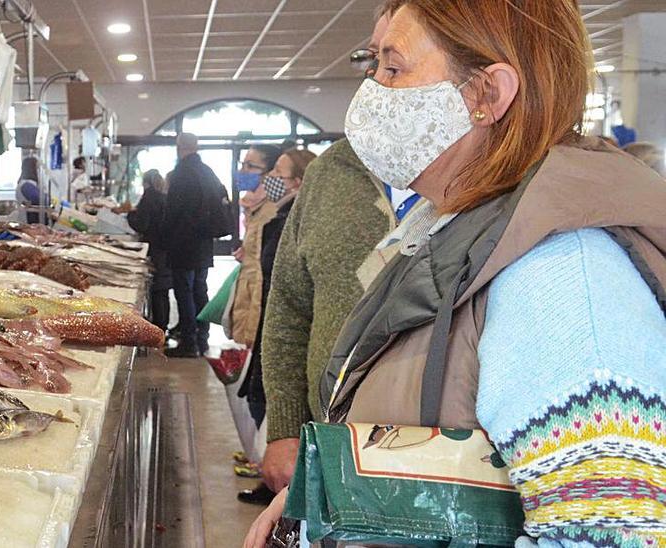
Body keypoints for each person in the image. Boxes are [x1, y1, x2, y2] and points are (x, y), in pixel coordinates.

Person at [246, 1, 666, 546]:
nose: (372, 90)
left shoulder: (567, 281)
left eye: (393, 69)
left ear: (485, 95)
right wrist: (336, 491)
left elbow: (612, 532)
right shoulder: (457, 230)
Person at [256, 0, 409, 497]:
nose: (375, 81)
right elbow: (288, 310)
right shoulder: (330, 173)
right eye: (373, 60)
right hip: (325, 448)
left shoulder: (499, 192)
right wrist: (283, 428)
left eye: (395, 63)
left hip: (432, 472)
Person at [228, 149, 317, 505]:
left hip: (276, 321)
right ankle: (271, 472)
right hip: (263, 313)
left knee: (264, 395)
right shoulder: (275, 211)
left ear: (298, 181)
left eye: (274, 172)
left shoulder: (296, 218)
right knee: (256, 393)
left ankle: (279, 481)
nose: (265, 179)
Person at [163, 133, 223, 358]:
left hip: (183, 243)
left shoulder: (181, 173)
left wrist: (164, 238)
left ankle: (189, 342)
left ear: (179, 147)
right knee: (200, 289)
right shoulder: (208, 172)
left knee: (184, 291)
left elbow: (173, 212)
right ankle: (202, 337)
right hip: (204, 244)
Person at [127, 169, 170, 331]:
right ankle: (163, 325)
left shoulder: (148, 197)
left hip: (152, 248)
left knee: (156, 288)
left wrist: (131, 215)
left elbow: (142, 224)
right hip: (165, 248)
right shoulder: (164, 197)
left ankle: (156, 327)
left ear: (146, 182)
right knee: (163, 288)